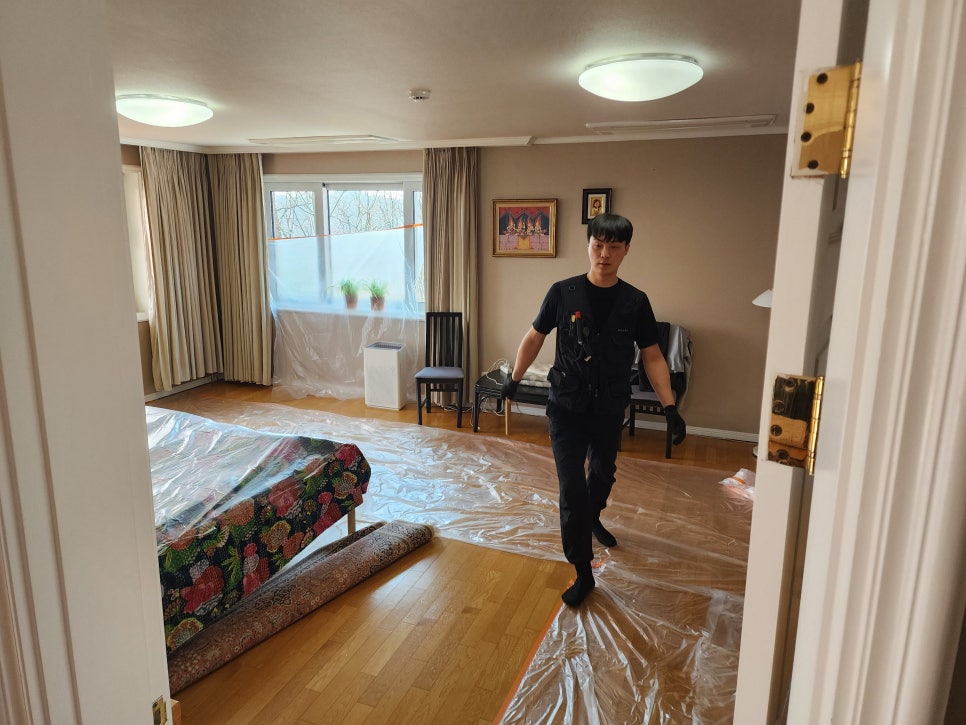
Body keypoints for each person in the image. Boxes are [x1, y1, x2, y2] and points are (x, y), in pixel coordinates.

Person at [502, 213, 686, 606]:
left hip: (608, 408)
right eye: (598, 245)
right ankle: (583, 572)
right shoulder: (562, 293)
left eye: (613, 247)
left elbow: (653, 356)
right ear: (588, 245)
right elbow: (534, 337)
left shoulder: (635, 302)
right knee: (572, 488)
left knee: (602, 474)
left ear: (626, 250)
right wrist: (514, 379)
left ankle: (593, 515)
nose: (604, 254)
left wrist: (669, 408)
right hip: (566, 407)